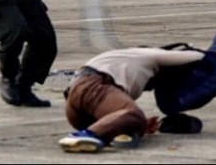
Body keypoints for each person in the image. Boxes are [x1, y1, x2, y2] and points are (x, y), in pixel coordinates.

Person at [60, 47, 207, 153]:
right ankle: (85, 135)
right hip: (94, 86)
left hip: (76, 102)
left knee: (131, 123)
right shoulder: (154, 54)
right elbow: (198, 56)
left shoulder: (127, 55)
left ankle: (99, 134)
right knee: (134, 115)